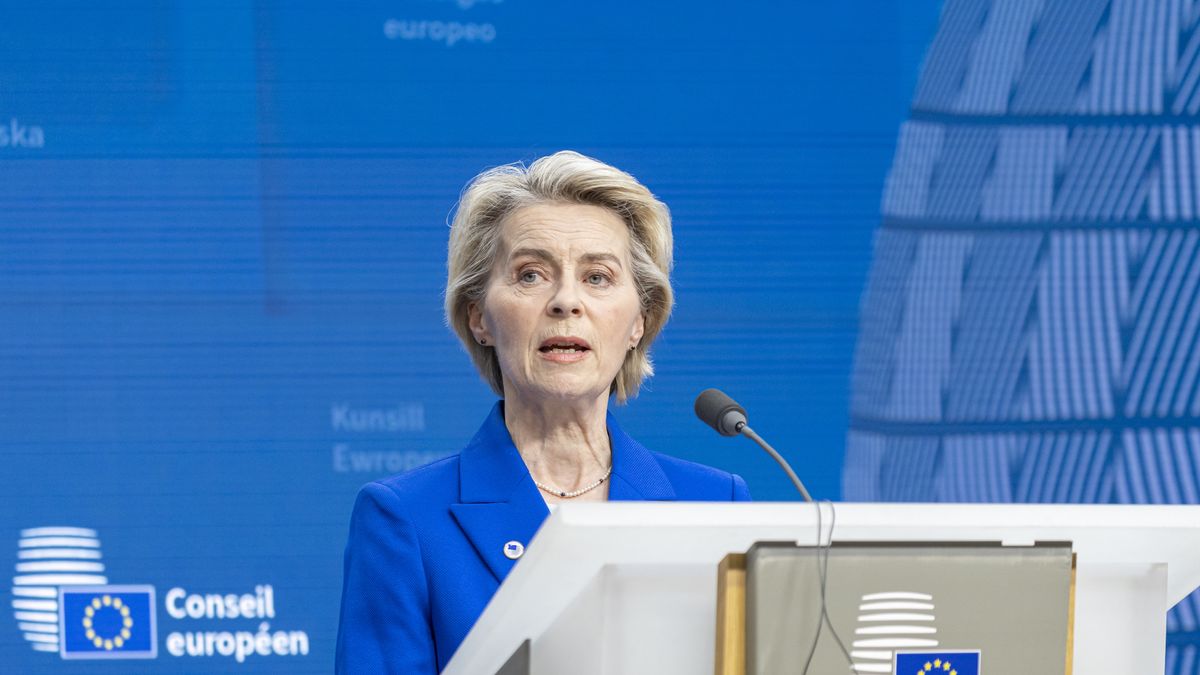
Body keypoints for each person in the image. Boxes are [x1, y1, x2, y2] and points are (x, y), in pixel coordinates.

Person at [334, 151, 751, 674]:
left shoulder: (715, 505)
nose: (565, 302)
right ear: (478, 316)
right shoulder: (407, 519)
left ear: (640, 321)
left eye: (598, 277)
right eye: (531, 275)